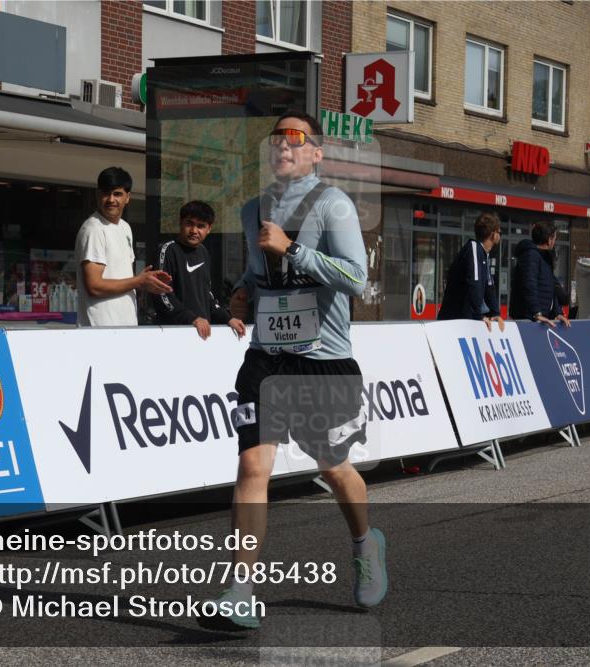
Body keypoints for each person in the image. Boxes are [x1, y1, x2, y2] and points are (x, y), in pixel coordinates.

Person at [210, 110, 385, 630]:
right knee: (251, 467)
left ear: (315, 152)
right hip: (266, 357)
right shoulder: (251, 209)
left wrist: (297, 250)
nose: (283, 145)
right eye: (277, 138)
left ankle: (365, 543)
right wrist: (241, 295)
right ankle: (240, 588)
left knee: (331, 467)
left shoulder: (335, 204)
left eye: (296, 138)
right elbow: (255, 270)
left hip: (322, 360)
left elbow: (356, 279)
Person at [75, 166, 172, 327]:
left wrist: (145, 282)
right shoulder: (94, 230)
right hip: (100, 329)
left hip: (125, 324)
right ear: (97, 195)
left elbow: (123, 278)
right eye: (106, 193)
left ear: (128, 197)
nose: (111, 199)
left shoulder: (125, 227)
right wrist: (138, 281)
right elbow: (94, 286)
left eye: (117, 194)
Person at [152, 200, 246, 340]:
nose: (194, 230)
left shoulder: (203, 252)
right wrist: (193, 318)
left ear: (209, 228)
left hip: (201, 335)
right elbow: (162, 295)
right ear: (180, 222)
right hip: (173, 335)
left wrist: (228, 319)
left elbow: (207, 295)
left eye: (200, 226)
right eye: (189, 223)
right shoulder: (167, 250)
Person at [437, 212, 504, 330]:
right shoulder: (473, 248)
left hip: (464, 319)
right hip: (453, 321)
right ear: (493, 234)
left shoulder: (484, 254)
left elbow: (489, 287)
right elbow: (475, 283)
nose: (500, 236)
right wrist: (479, 316)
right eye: (500, 232)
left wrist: (495, 313)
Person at [509, 220, 569, 327]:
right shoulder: (531, 255)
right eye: (554, 238)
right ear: (549, 240)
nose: (555, 242)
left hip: (542, 318)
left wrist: (557, 312)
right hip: (529, 319)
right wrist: (536, 313)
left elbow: (551, 289)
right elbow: (529, 284)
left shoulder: (545, 257)